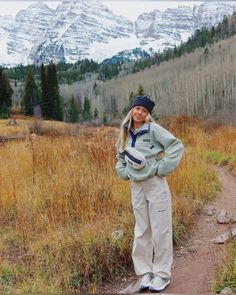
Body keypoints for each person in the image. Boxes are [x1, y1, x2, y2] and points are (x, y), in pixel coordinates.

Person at [115, 95, 184, 292]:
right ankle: (145, 273)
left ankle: (162, 275)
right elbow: (120, 155)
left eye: (144, 111)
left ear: (147, 115)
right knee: (141, 230)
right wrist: (123, 171)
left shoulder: (153, 129)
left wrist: (161, 168)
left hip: (155, 184)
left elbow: (176, 146)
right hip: (136, 187)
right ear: (132, 110)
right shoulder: (125, 132)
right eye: (137, 108)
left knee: (160, 230)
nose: (140, 112)